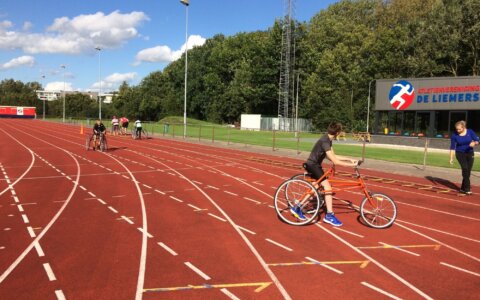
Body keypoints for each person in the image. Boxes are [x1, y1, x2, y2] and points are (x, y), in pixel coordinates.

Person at [291, 122, 358, 227]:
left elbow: (333, 156)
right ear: (337, 133)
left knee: (316, 186)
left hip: (313, 164)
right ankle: (329, 215)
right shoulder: (325, 141)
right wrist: (351, 165)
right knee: (327, 187)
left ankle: (297, 207)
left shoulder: (328, 140)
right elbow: (335, 161)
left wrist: (349, 159)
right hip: (313, 165)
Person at [449, 120, 479, 195]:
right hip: (460, 153)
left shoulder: (470, 132)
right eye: (456, 129)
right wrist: (451, 158)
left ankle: (462, 188)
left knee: (468, 171)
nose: (457, 131)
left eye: (459, 129)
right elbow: (452, 148)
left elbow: (477, 140)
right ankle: (467, 188)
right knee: (465, 168)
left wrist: (474, 143)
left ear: (464, 127)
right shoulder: (454, 135)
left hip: (469, 153)